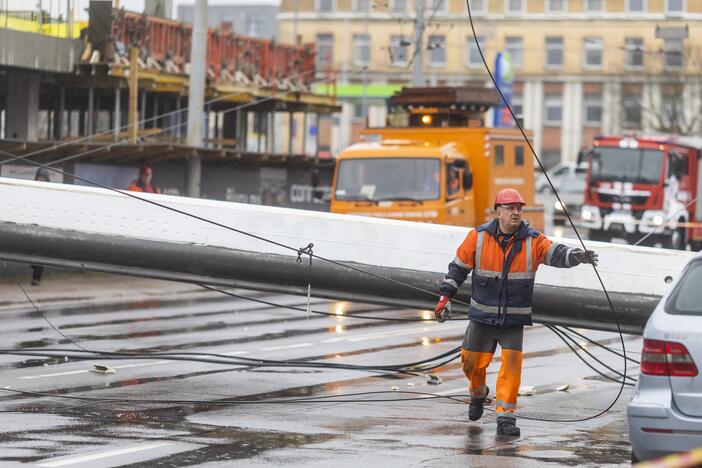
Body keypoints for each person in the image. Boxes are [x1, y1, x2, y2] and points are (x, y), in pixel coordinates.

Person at [434, 188, 598, 437]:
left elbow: (556, 253)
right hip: (482, 319)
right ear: (497, 211)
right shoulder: (477, 238)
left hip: (512, 322)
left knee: (511, 367)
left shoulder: (533, 241)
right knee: (470, 363)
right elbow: (457, 269)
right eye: (510, 207)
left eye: (519, 207)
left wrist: (577, 256)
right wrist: (445, 297)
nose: (516, 212)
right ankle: (478, 394)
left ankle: (505, 417)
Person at [30, 168, 52, 286]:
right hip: (33, 225)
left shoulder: (50, 192)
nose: (41, 181)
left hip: (44, 227)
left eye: (43, 179)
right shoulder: (32, 189)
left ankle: (36, 279)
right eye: (39, 178)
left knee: (40, 254)